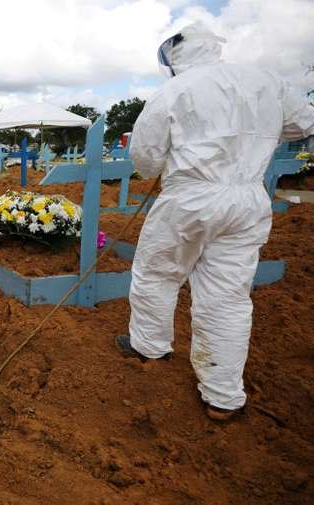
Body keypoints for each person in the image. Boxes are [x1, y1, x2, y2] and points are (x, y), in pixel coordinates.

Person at [115, 22, 314, 421]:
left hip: (190, 197)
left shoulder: (174, 91)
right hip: (246, 198)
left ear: (174, 58)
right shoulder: (267, 81)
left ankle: (150, 347)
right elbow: (303, 124)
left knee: (157, 273)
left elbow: (146, 157)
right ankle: (222, 396)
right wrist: (253, 139)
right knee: (227, 295)